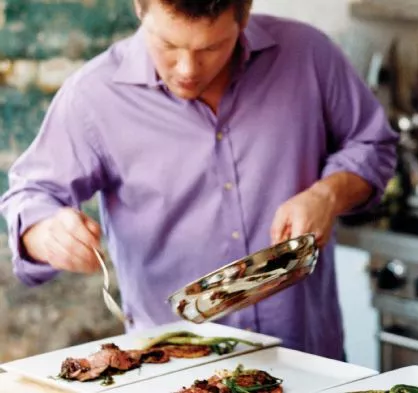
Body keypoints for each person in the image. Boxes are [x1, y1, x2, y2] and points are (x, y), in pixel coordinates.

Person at [0, 0, 397, 361]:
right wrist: (45, 231)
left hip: (310, 363)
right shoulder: (92, 96)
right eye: (168, 45)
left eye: (211, 48)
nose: (188, 70)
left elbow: (374, 144)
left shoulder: (308, 54)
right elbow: (30, 196)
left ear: (244, 14)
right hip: (175, 369)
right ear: (140, 8)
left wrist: (328, 194)